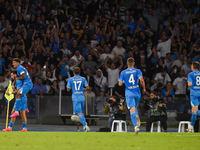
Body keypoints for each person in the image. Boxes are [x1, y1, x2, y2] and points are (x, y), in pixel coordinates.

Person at [118, 57, 146, 135]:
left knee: (131, 110)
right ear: (134, 63)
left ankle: (135, 127)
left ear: (127, 64)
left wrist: (124, 81)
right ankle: (136, 116)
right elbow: (141, 80)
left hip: (129, 93)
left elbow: (120, 84)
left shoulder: (123, 72)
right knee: (135, 107)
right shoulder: (138, 71)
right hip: (137, 93)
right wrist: (144, 88)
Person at [10, 58, 33, 131]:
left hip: (28, 84)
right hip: (26, 86)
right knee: (23, 113)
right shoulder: (19, 69)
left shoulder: (19, 69)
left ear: (17, 63)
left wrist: (17, 79)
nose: (13, 64)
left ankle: (16, 111)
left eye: (14, 62)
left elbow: (24, 77)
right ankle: (24, 128)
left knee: (18, 94)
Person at [67, 67, 90, 132]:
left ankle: (86, 126)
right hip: (82, 98)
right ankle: (84, 126)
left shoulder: (71, 79)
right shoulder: (83, 78)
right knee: (81, 113)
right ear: (79, 72)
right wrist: (84, 89)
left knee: (79, 113)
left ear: (73, 72)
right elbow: (88, 87)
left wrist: (72, 88)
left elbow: (68, 89)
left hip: (76, 98)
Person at [187, 61, 200, 132]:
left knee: (194, 111)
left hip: (194, 94)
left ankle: (191, 127)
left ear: (192, 67)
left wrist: (189, 83)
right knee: (194, 111)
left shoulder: (191, 74)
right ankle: (191, 127)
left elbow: (189, 84)